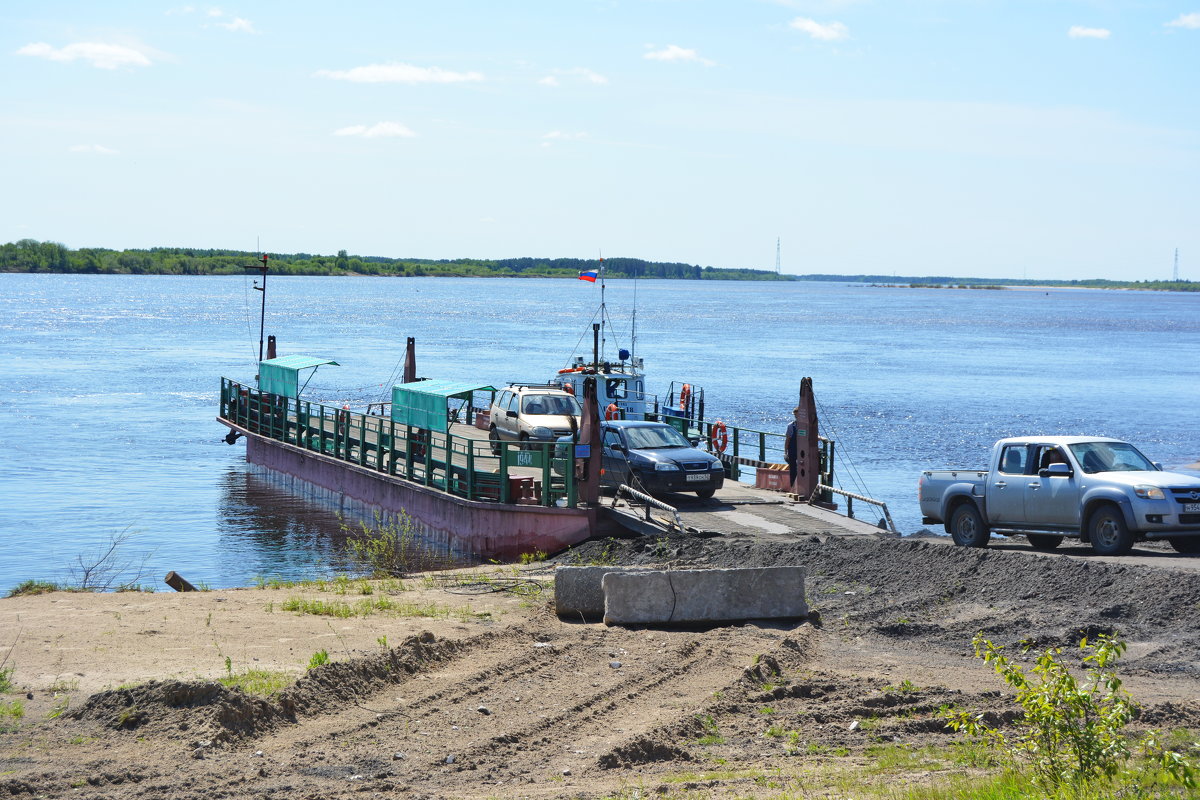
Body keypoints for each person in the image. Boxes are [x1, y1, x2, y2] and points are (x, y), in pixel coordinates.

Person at [785, 409, 800, 487]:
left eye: (797, 415)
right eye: (795, 415)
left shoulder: (806, 426)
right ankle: (793, 486)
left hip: (802, 451)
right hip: (792, 450)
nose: (796, 416)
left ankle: (801, 486)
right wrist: (785, 452)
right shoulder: (791, 426)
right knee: (793, 469)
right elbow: (787, 439)